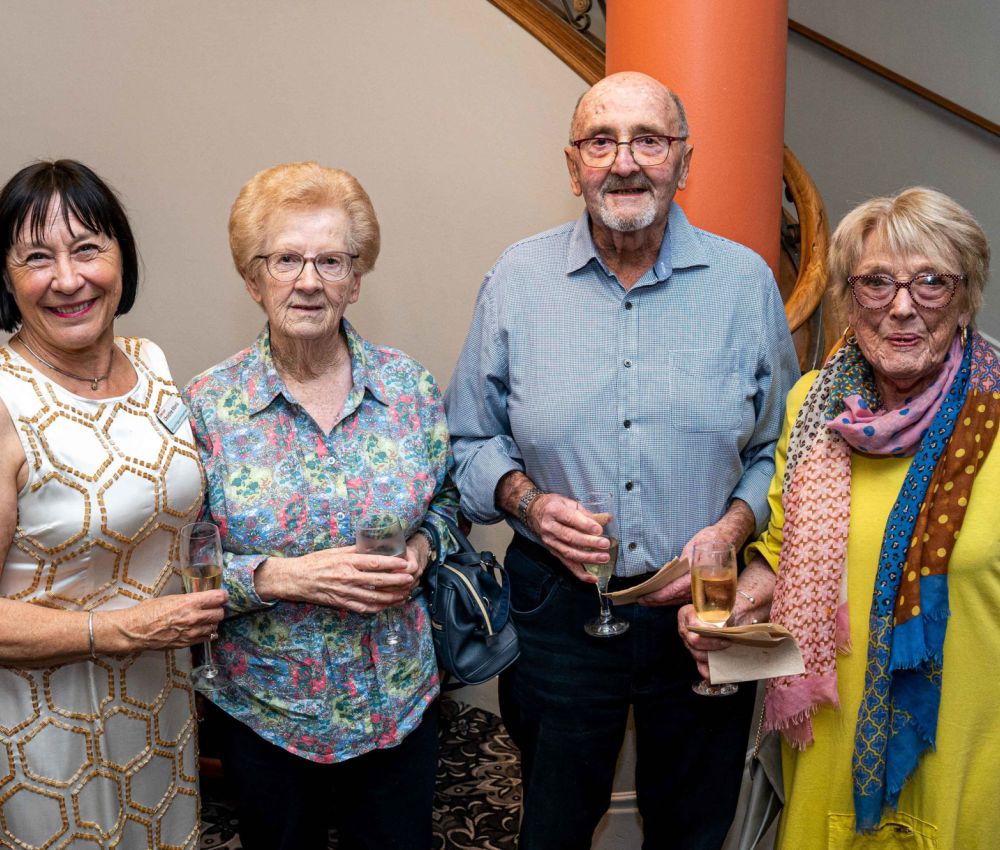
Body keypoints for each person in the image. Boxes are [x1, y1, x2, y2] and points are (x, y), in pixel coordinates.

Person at [445, 71, 799, 850]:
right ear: (573, 166)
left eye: (650, 140)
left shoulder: (745, 284)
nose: (625, 161)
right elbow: (466, 442)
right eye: (601, 141)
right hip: (559, 612)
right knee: (555, 823)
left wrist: (736, 527)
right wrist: (529, 503)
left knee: (696, 826)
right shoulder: (517, 281)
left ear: (684, 160)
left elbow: (787, 446)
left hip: (709, 604)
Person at [680, 187, 998, 847]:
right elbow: (781, 555)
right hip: (824, 760)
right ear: (850, 301)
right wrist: (732, 623)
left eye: (931, 283)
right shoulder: (813, 406)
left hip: (967, 768)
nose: (902, 307)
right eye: (876, 283)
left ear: (967, 296)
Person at [182, 161, 458, 850]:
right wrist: (283, 578)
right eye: (287, 259)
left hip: (398, 703)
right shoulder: (206, 407)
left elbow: (448, 503)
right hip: (267, 716)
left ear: (356, 278)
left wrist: (422, 549)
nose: (309, 280)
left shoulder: (410, 388)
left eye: (331, 260)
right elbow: (181, 564)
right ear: (252, 278)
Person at [0, 159, 226, 849]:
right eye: (38, 258)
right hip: (44, 733)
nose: (68, 279)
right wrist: (120, 630)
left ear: (122, 256)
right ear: (7, 279)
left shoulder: (151, 363)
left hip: (159, 704)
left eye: (88, 248)